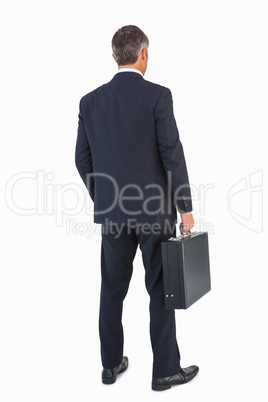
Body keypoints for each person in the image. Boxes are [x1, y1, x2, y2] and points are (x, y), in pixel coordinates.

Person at [75, 25, 199, 391]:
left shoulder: (89, 101)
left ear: (114, 57)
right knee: (162, 289)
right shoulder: (158, 96)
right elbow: (171, 155)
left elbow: (81, 158)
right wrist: (185, 207)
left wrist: (104, 196)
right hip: (154, 212)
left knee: (112, 287)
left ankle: (110, 366)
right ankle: (164, 372)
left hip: (112, 212)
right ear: (143, 54)